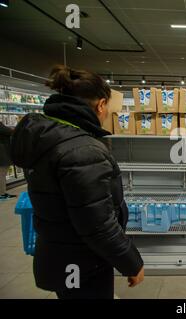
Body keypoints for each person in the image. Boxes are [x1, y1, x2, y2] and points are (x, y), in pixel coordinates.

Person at [10, 65, 144, 299]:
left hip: (59, 253)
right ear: (101, 105)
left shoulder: (48, 138)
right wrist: (131, 262)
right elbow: (96, 223)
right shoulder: (83, 150)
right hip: (83, 260)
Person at [0, 121, 16, 200]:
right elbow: (9, 131)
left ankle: (2, 193)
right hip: (2, 153)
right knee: (2, 174)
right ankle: (2, 194)